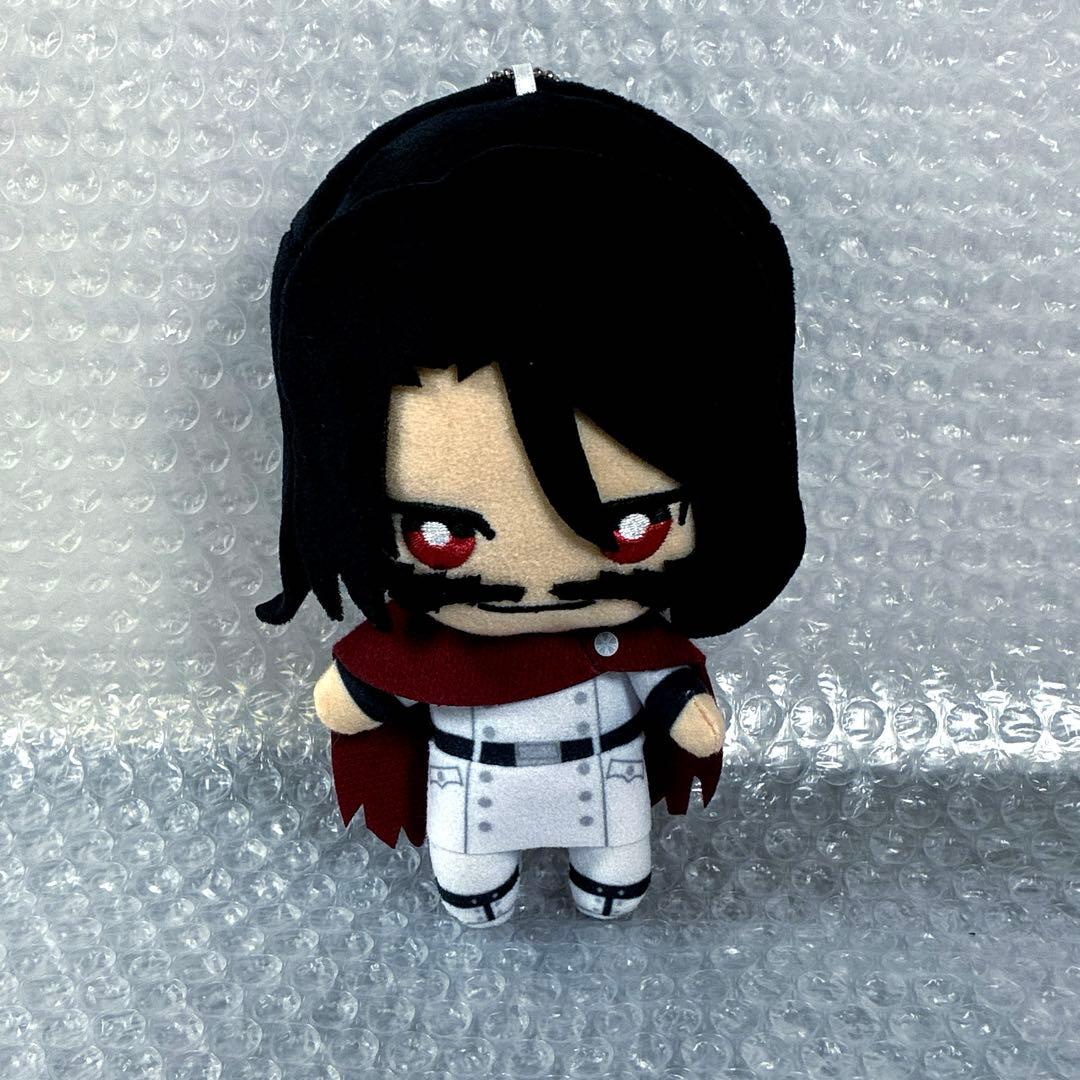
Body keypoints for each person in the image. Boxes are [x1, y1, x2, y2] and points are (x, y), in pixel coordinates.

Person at [256, 67, 804, 924]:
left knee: (614, 846)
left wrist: (681, 706)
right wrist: (360, 697)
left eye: (629, 526)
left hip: (605, 785)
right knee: (473, 854)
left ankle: (607, 878)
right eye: (441, 534)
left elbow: (666, 689)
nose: (537, 580)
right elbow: (371, 689)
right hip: (475, 798)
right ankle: (480, 880)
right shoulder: (437, 654)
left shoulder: (624, 650)